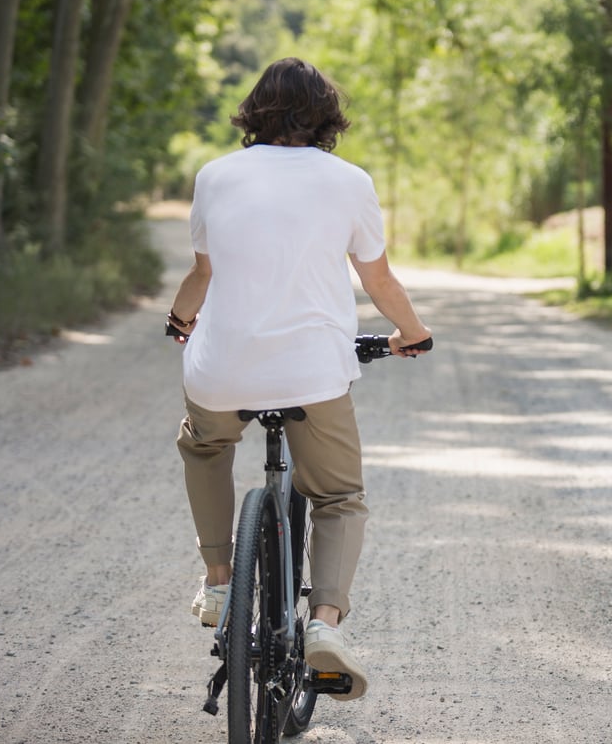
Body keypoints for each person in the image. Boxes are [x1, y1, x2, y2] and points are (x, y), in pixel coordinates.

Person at [168, 57, 432, 701]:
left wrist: (179, 320)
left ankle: (220, 579)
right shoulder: (348, 181)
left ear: (253, 111)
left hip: (222, 370)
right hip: (314, 374)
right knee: (339, 497)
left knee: (204, 443)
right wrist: (412, 333)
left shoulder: (215, 175)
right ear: (326, 117)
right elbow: (378, 280)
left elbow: (202, 275)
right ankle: (325, 627)